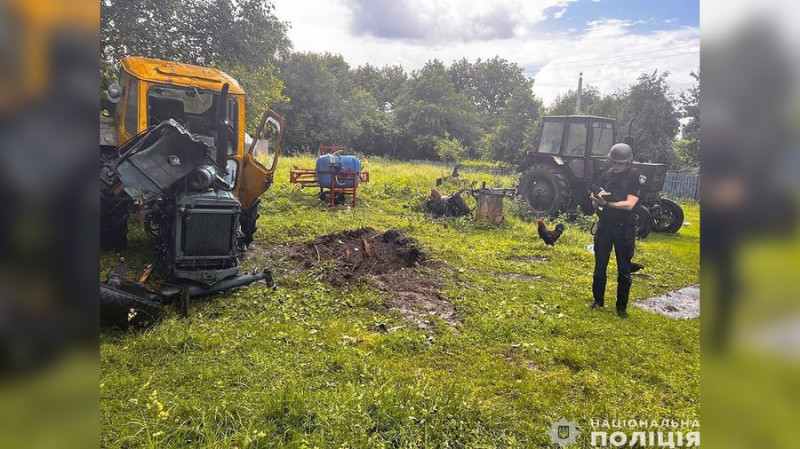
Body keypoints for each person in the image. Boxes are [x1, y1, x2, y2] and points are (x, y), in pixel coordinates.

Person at [589, 143, 643, 318]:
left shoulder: (634, 176)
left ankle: (621, 307)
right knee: (600, 266)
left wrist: (608, 204)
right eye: (614, 163)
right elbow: (594, 204)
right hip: (605, 226)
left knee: (624, 269)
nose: (616, 167)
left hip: (624, 228)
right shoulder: (606, 175)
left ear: (628, 163)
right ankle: (598, 300)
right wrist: (596, 200)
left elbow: (630, 204)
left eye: (620, 164)